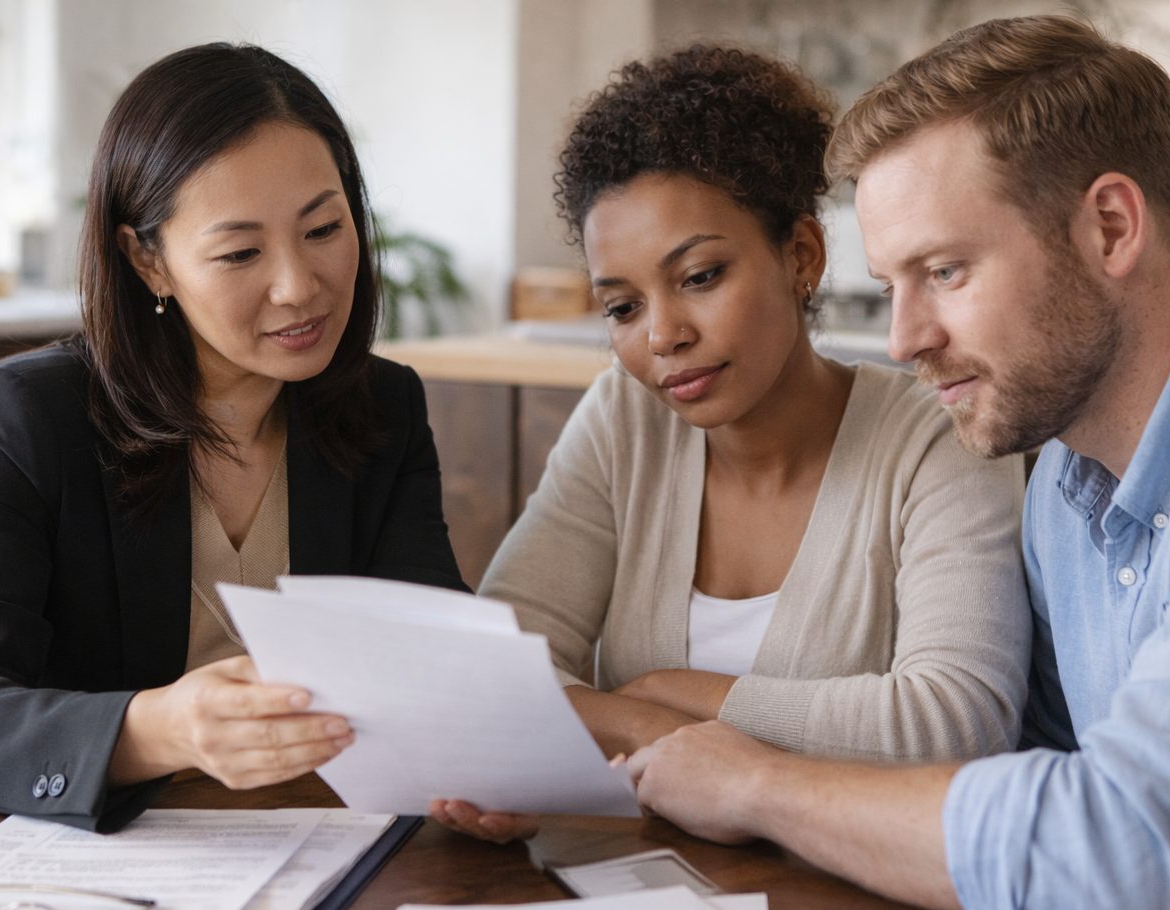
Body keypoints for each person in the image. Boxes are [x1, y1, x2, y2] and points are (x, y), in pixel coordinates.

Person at [626, 15, 1170, 910]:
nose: (905, 337)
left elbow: (1134, 849)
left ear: (1110, 227)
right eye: (888, 286)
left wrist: (757, 785)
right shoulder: (1064, 477)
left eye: (943, 271)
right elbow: (1011, 780)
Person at [0, 43, 466, 831]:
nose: (299, 284)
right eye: (241, 252)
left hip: (276, 848)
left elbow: (437, 658)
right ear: (148, 261)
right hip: (1, 852)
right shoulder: (26, 417)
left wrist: (481, 764)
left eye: (323, 228)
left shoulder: (382, 408)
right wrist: (158, 730)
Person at [433, 45, 1029, 842]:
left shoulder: (935, 436)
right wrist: (638, 727)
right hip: (634, 897)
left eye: (701, 276)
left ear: (801, 257)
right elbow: (494, 674)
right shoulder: (626, 416)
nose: (663, 335)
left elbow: (955, 723)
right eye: (621, 307)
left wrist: (680, 695)